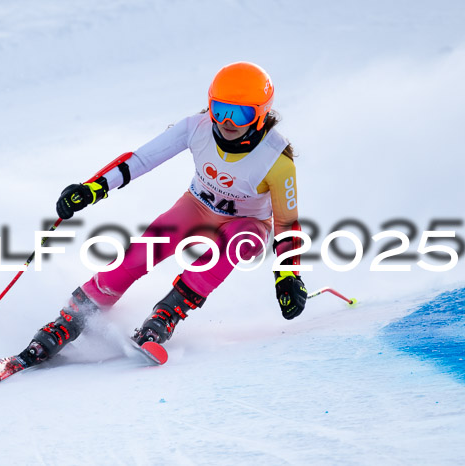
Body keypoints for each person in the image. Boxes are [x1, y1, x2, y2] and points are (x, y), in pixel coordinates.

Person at [17, 61, 308, 367]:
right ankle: (71, 318)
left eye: (241, 113)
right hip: (196, 207)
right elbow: (142, 159)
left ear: (261, 113)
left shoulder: (277, 161)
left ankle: (167, 313)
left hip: (247, 224)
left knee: (240, 239)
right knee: (142, 252)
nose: (227, 121)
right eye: (219, 109)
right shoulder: (196, 128)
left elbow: (287, 224)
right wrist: (94, 188)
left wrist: (288, 274)